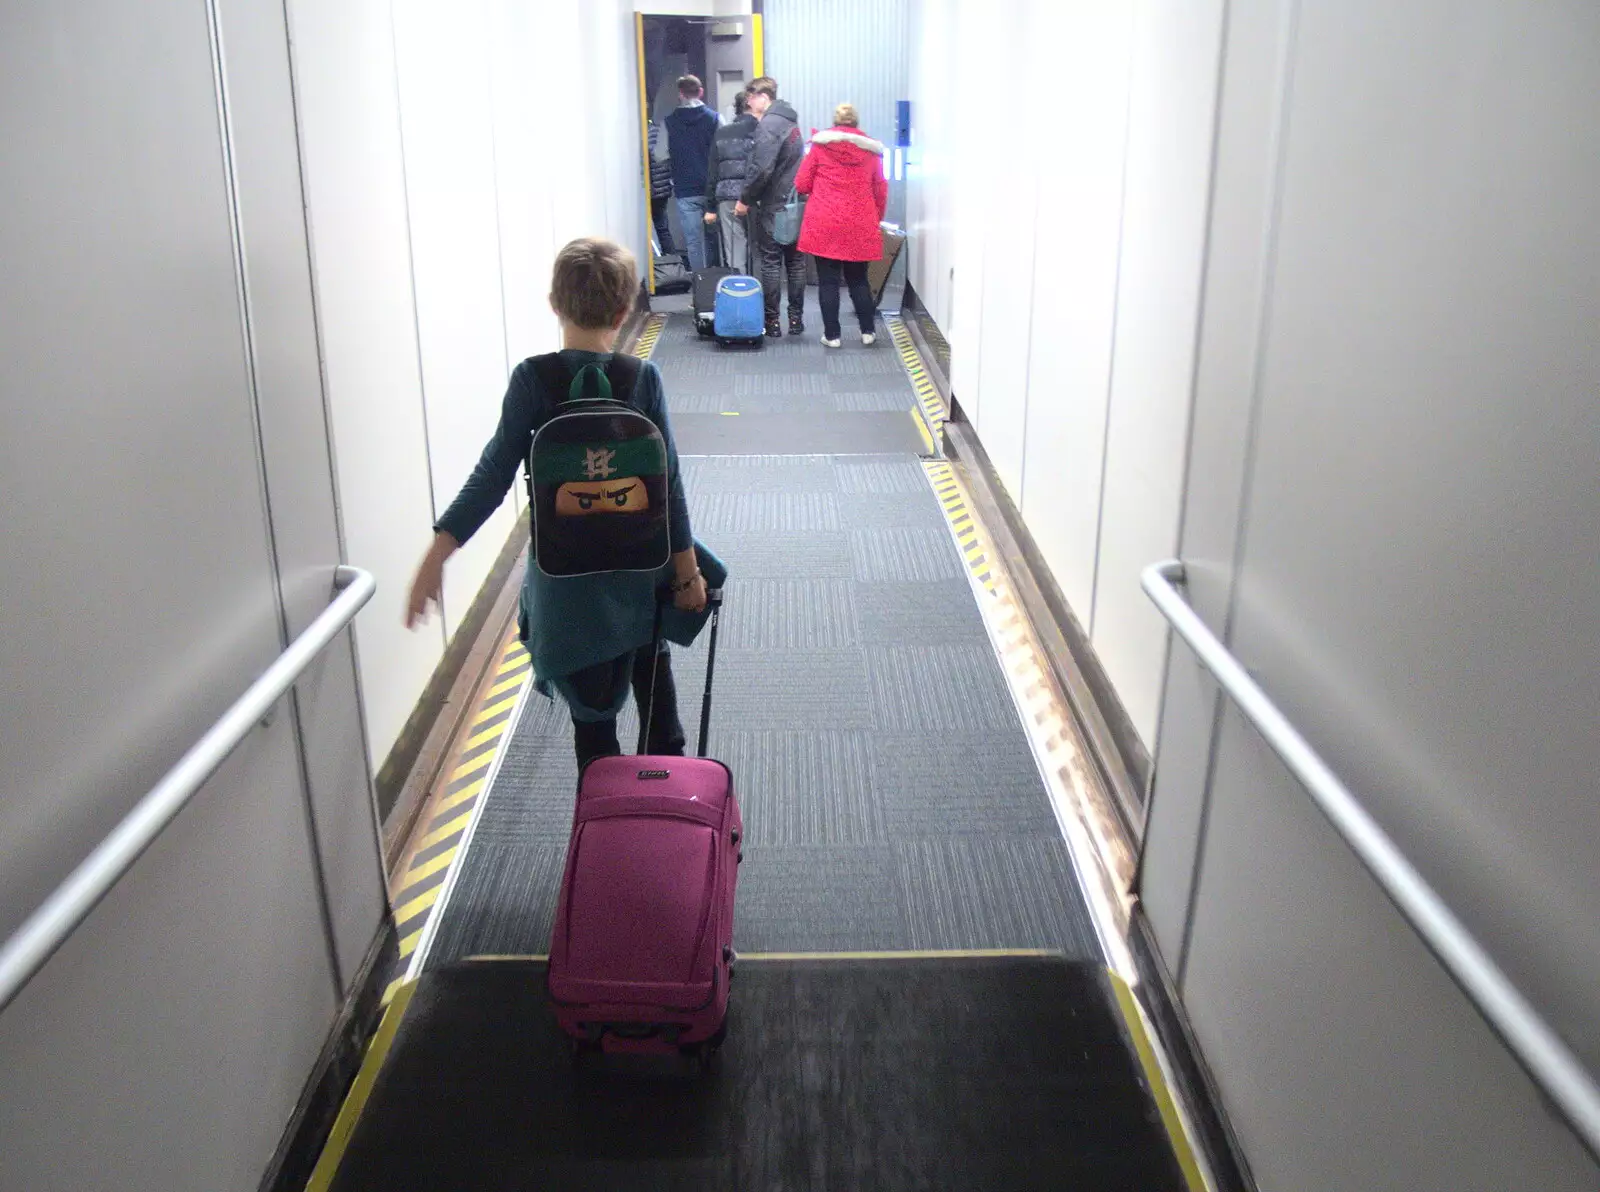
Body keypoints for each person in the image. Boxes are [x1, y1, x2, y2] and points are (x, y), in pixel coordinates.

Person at [405, 237, 711, 771]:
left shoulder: (532, 379)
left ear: (554, 304)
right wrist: (686, 576)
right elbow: (670, 487)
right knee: (662, 718)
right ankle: (671, 824)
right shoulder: (642, 379)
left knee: (594, 738)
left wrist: (437, 554)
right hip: (641, 575)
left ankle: (603, 841)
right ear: (623, 312)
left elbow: (493, 474)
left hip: (569, 591)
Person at [794, 102, 889, 348]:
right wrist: (874, 218)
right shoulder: (871, 152)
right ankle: (868, 331)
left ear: (835, 123)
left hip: (824, 220)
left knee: (828, 281)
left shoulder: (819, 148)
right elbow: (880, 189)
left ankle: (832, 335)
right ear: (856, 124)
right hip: (859, 220)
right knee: (859, 279)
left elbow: (802, 183)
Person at [736, 76, 807, 337]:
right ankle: (797, 320)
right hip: (795, 202)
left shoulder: (769, 125)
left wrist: (745, 198)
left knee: (770, 262)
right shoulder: (791, 122)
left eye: (750, 98)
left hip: (773, 206)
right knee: (796, 262)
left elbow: (762, 169)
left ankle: (773, 322)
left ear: (763, 97)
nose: (748, 103)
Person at [664, 75, 720, 272]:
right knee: (714, 238)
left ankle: (700, 286)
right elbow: (724, 150)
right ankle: (716, 281)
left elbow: (660, 154)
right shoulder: (714, 118)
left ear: (680, 94)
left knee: (694, 242)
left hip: (685, 189)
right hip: (712, 188)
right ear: (701, 91)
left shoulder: (669, 122)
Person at [703, 90, 758, 274]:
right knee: (760, 246)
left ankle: (740, 288)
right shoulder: (763, 131)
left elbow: (713, 171)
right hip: (757, 196)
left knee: (734, 247)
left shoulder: (722, 133)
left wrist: (710, 207)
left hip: (727, 197)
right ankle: (761, 290)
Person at [646, 119, 675, 255]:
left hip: (652, 189)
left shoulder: (639, 135)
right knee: (662, 227)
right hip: (663, 188)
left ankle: (661, 262)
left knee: (654, 228)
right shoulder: (658, 132)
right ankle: (671, 262)